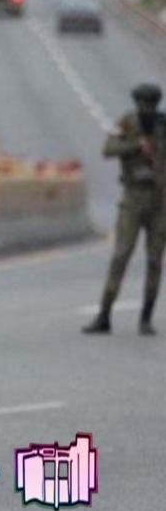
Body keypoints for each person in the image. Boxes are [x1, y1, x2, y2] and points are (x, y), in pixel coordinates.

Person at [84, 82, 165, 336]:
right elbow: (108, 149)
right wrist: (136, 146)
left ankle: (146, 317)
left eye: (150, 104)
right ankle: (104, 314)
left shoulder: (163, 126)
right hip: (133, 197)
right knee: (121, 255)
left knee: (155, 260)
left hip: (160, 200)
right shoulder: (127, 123)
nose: (147, 109)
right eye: (143, 104)